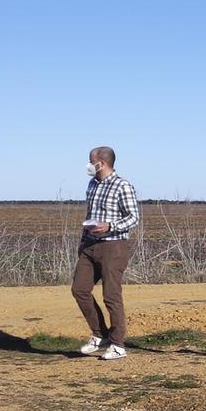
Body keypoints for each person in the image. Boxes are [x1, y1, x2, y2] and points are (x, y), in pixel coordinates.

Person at [71, 146, 140, 360]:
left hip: (114, 245)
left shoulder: (123, 185)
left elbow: (134, 217)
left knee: (111, 295)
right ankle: (99, 334)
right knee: (79, 289)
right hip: (90, 245)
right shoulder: (92, 184)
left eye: (91, 161)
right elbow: (90, 214)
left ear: (102, 162)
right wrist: (83, 243)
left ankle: (118, 344)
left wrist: (110, 226)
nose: (89, 166)